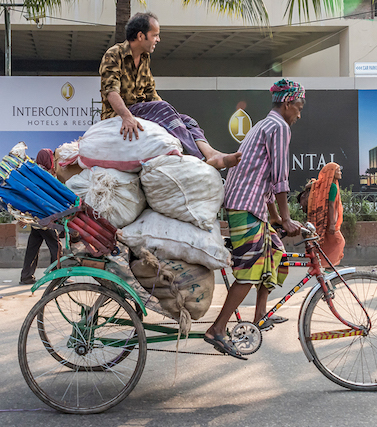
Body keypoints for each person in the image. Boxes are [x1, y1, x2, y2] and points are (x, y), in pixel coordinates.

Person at [204, 79, 305, 360]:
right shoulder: (279, 127)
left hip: (252, 205)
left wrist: (275, 219)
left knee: (276, 253)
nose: (300, 113)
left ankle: (260, 315)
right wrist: (286, 219)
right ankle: (217, 329)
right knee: (249, 271)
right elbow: (280, 179)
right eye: (299, 106)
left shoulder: (263, 125)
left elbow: (264, 179)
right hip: (244, 206)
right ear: (287, 104)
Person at [99, 12, 241, 170]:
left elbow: (151, 93)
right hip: (120, 114)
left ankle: (211, 154)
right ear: (141, 36)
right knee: (163, 109)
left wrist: (173, 117)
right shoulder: (113, 55)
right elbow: (111, 92)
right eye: (155, 35)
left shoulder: (144, 57)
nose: (158, 40)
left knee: (186, 120)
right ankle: (198, 160)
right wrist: (127, 117)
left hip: (143, 112)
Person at [19, 149, 60, 285]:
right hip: (44, 217)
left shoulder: (33, 172)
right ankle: (57, 276)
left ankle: (26, 276)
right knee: (55, 246)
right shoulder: (45, 175)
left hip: (34, 217)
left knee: (33, 246)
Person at [307, 162, 345, 267]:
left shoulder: (320, 184)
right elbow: (331, 205)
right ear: (331, 172)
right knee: (339, 242)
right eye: (338, 171)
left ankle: (318, 265)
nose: (340, 173)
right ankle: (328, 266)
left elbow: (309, 185)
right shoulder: (332, 186)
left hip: (319, 219)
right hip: (328, 220)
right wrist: (332, 223)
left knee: (324, 243)